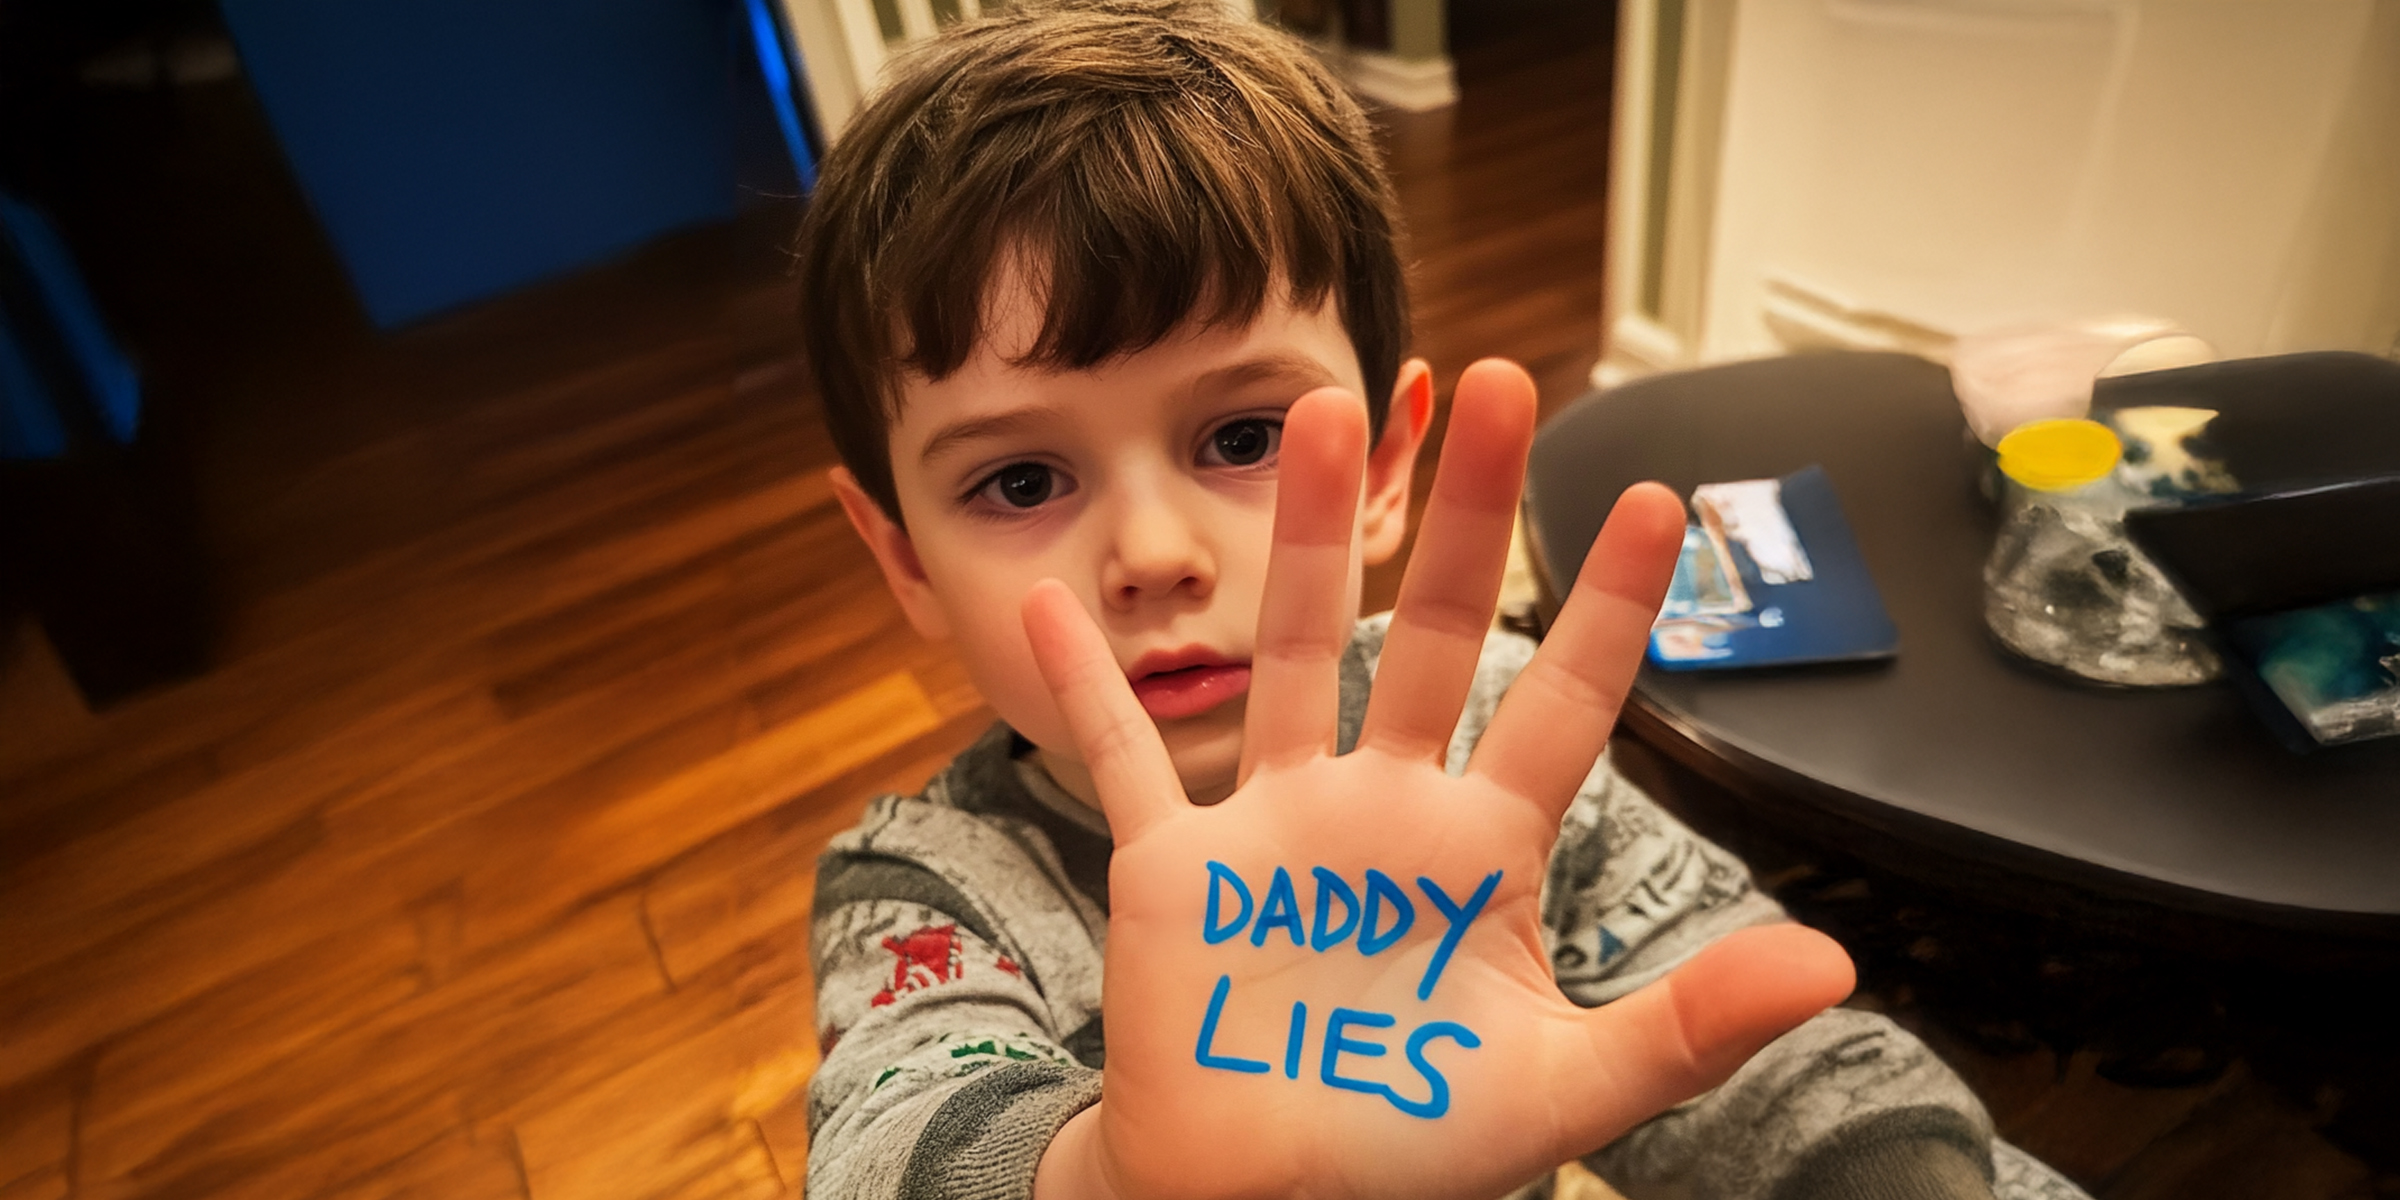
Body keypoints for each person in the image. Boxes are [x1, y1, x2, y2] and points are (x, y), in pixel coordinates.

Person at [794, 3, 2093, 1197]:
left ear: (1381, 466)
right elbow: (887, 1147)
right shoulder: (922, 892)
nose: (1152, 552)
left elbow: (1743, 1029)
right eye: (1021, 477)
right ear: (903, 555)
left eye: (1243, 438)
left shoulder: (1496, 734)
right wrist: (1110, 1180)